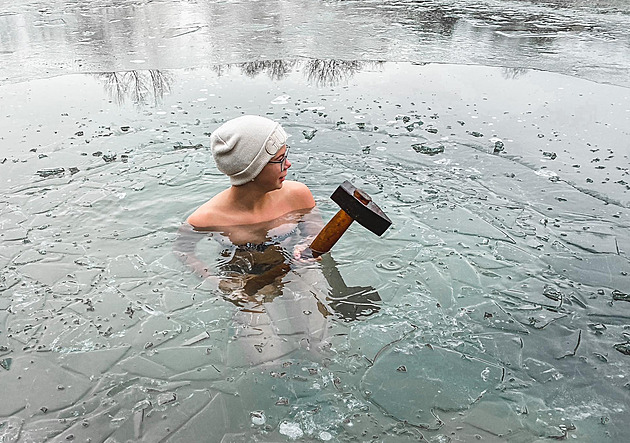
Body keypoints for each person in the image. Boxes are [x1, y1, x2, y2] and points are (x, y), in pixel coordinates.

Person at [186, 115, 316, 244]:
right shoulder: (205, 219)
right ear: (252, 169)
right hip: (236, 264)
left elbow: (315, 236)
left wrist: (307, 245)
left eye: (285, 155)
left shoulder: (298, 196)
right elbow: (182, 251)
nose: (288, 164)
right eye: (279, 159)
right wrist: (201, 266)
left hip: (291, 263)